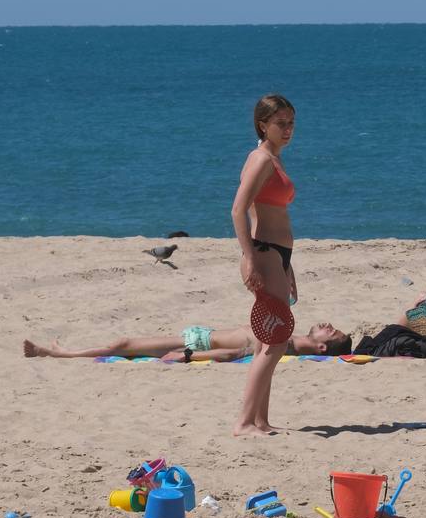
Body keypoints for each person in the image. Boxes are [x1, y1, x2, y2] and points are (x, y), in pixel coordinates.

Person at [231, 93, 299, 436]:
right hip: (263, 252)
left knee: (265, 341)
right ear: (263, 124)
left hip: (276, 257)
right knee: (276, 342)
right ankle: (244, 422)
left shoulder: (273, 158)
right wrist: (252, 259)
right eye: (280, 123)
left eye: (291, 123)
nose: (287, 129)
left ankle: (261, 420)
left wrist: (289, 269)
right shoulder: (260, 160)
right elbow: (237, 210)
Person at [23, 321, 351, 362]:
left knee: (124, 344)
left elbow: (237, 352)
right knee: (125, 345)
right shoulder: (288, 336)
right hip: (198, 337)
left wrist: (188, 355)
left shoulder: (285, 345)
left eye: (330, 332)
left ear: (322, 347)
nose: (326, 325)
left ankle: (56, 352)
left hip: (197, 343)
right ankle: (62, 351)